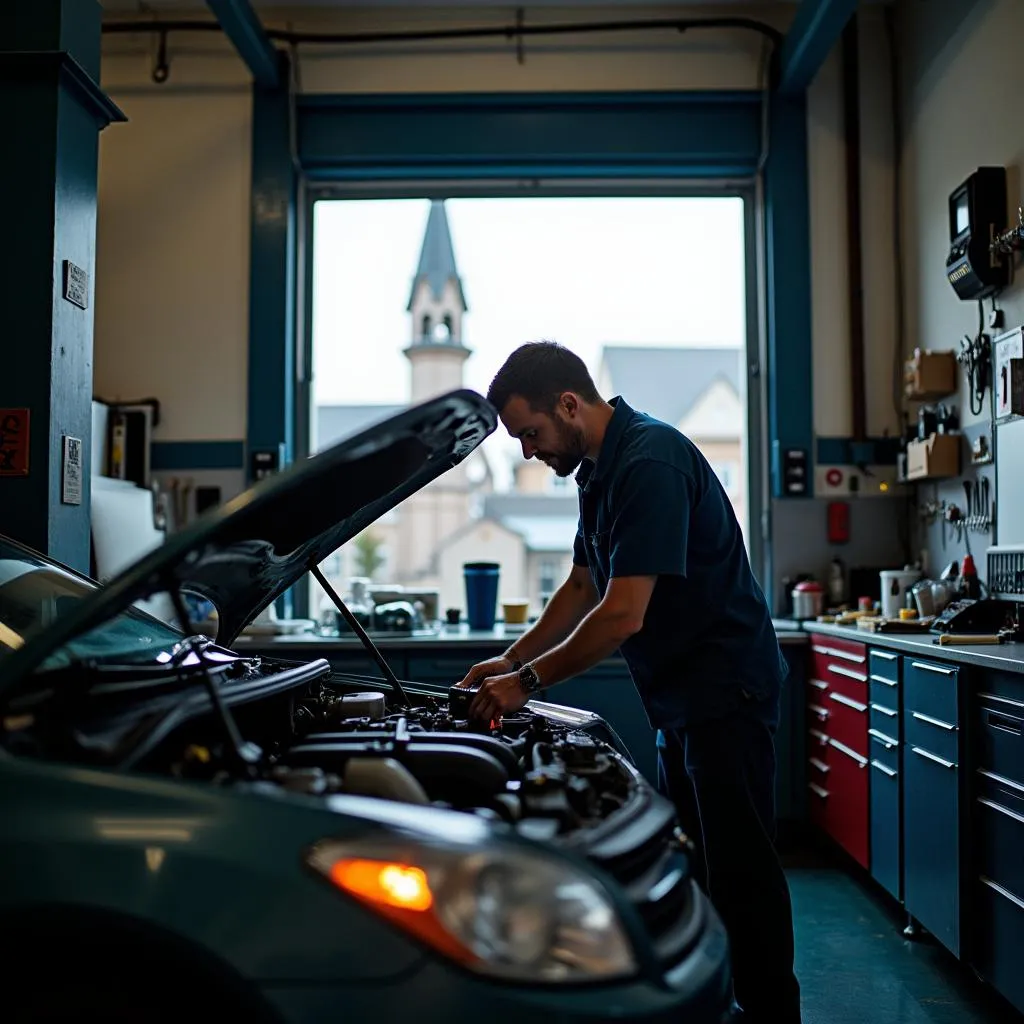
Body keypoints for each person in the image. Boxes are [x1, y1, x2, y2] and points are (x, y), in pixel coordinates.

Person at [456, 341, 801, 1024]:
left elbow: (621, 613)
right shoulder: (596, 469)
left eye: (531, 433)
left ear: (569, 405)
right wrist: (509, 658)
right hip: (681, 697)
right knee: (699, 870)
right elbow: (583, 583)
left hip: (726, 691)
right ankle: (718, 1006)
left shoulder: (649, 461)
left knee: (742, 875)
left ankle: (772, 1017)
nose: (527, 452)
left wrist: (526, 681)